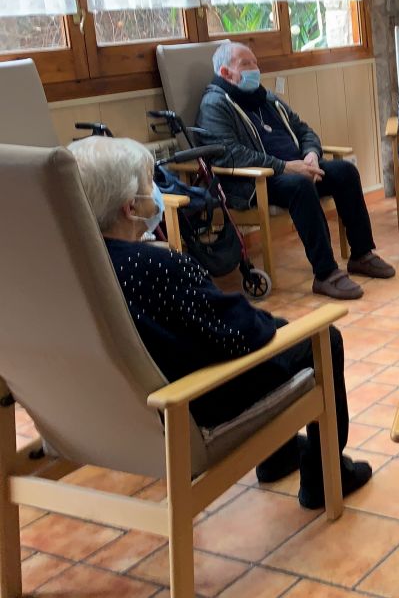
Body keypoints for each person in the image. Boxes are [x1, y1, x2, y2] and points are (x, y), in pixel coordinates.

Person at [68, 136, 373, 509]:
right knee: (323, 338)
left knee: (279, 327)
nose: (157, 192)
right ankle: (325, 478)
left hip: (123, 412)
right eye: (151, 183)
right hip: (195, 404)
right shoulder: (158, 268)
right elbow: (242, 332)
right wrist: (268, 323)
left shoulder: (70, 270)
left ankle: (278, 455)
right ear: (131, 207)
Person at [197, 42, 395, 301]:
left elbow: (304, 130)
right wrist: (286, 167)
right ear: (225, 72)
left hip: (298, 167)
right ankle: (326, 273)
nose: (255, 69)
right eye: (246, 64)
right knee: (300, 186)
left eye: (255, 62)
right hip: (257, 182)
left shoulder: (267, 98)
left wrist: (311, 155)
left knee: (345, 172)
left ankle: (362, 254)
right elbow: (229, 154)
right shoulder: (214, 104)